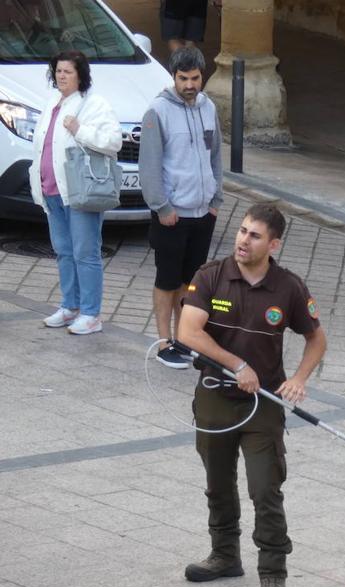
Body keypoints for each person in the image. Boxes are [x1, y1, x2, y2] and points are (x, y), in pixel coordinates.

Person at [177, 203, 327, 587]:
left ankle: (274, 572)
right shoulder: (210, 276)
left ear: (273, 243)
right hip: (214, 396)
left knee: (265, 488)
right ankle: (224, 556)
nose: (243, 240)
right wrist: (236, 364)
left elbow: (317, 339)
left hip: (263, 404)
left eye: (254, 235)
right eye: (242, 231)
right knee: (218, 483)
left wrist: (297, 379)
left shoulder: (289, 287)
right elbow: (188, 331)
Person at [139, 46, 223, 369]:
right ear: (173, 77)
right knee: (167, 280)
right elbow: (149, 165)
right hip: (171, 214)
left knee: (190, 283)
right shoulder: (157, 111)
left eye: (195, 78)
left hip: (204, 212)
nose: (190, 84)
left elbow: (215, 155)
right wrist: (162, 206)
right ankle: (164, 343)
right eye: (183, 78)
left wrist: (216, 199)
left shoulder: (208, 107)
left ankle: (184, 340)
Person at [29, 50, 122, 334]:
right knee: (64, 252)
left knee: (86, 253)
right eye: (58, 71)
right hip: (51, 191)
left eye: (67, 71)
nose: (61, 76)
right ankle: (70, 306)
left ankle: (91, 314)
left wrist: (80, 129)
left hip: (80, 192)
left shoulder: (94, 104)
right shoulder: (52, 103)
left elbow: (113, 141)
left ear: (81, 74)